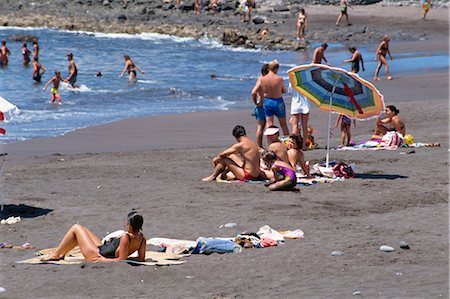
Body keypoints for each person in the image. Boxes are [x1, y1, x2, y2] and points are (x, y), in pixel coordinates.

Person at [41, 211, 146, 262]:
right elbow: (141, 259)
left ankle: (55, 254)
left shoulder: (125, 237)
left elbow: (121, 259)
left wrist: (104, 260)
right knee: (83, 230)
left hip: (97, 254)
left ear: (130, 225)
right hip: (103, 249)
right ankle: (61, 253)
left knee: (76, 227)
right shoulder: (142, 239)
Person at [258, 59, 289, 135]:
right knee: (283, 124)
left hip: (267, 101)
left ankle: (271, 141)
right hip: (278, 101)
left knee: (269, 123)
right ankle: (287, 142)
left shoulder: (263, 79)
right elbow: (284, 90)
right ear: (276, 68)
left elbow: (261, 91)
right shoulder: (279, 79)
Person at [251, 63, 269, 148]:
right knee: (261, 126)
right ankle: (259, 146)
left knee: (264, 125)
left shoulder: (263, 79)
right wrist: (256, 102)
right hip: (261, 105)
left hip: (264, 104)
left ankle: (261, 145)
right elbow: (254, 92)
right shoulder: (262, 79)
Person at [289, 83, 310, 150]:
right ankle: (303, 146)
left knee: (294, 126)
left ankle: (294, 144)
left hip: (295, 103)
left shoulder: (292, 81)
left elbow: (290, 92)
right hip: (305, 103)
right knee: (304, 126)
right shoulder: (306, 82)